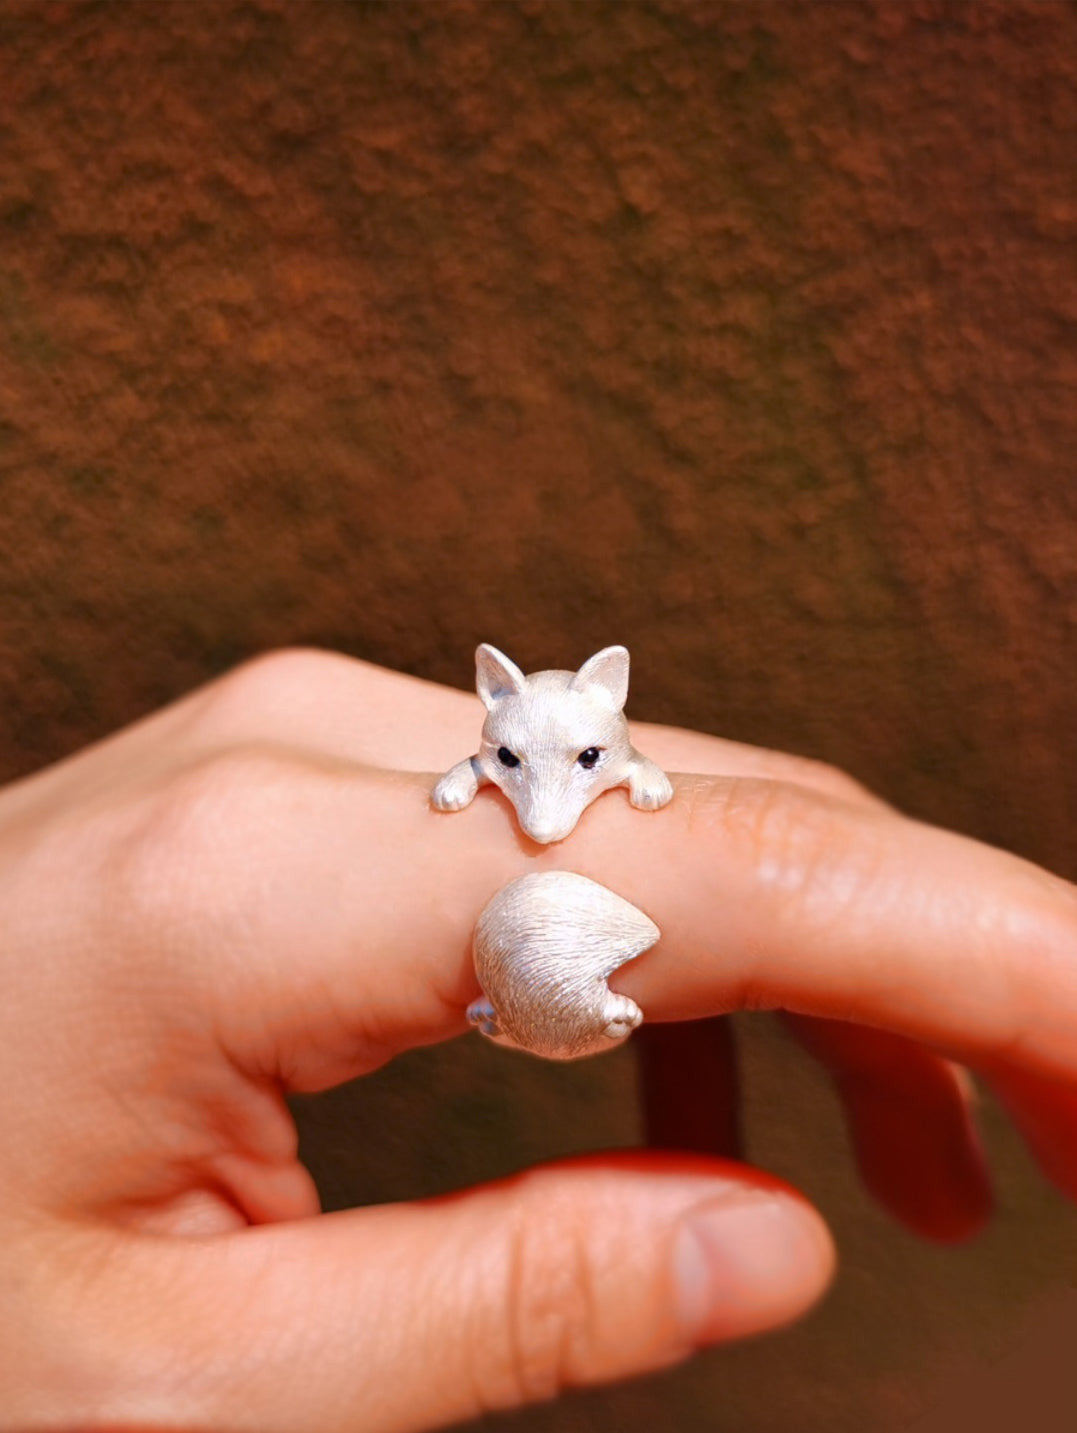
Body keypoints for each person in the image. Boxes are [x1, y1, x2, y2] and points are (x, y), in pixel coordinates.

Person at [2, 648, 1074, 1430]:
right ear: (491, 722)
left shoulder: (601, 753)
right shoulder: (502, 758)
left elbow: (607, 775)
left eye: (588, 761)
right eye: (506, 763)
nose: (543, 805)